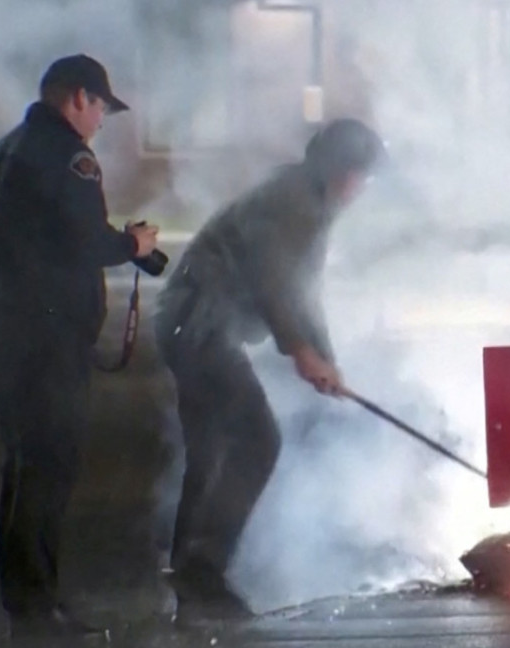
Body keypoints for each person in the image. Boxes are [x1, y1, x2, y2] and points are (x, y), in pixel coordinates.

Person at [154, 118, 385, 613]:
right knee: (258, 439)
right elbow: (273, 281)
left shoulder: (310, 204)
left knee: (210, 447)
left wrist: (326, 359)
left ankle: (187, 570)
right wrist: (301, 350)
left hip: (192, 324)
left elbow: (304, 295)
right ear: (336, 169)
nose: (362, 187)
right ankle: (203, 569)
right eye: (358, 175)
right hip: (201, 326)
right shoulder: (292, 203)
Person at [0, 53, 159, 639]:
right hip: (46, 341)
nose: (102, 119)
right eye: (101, 105)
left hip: (7, 331)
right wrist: (133, 244)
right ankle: (37, 606)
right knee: (49, 469)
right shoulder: (69, 156)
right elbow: (82, 241)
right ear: (78, 97)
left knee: (24, 468)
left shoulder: (7, 150)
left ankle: (23, 599)